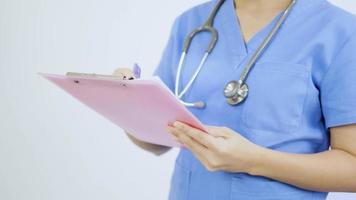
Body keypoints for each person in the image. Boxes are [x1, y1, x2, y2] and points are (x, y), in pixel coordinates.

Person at [115, 0, 356, 199]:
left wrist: (254, 161)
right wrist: (126, 104)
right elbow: (157, 142)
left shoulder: (342, 32)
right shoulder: (190, 23)